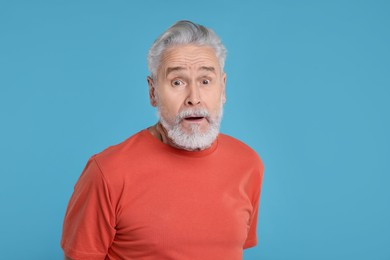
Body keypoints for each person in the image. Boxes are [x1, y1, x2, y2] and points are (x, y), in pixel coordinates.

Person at [61, 20, 264, 260]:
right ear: (153, 92)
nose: (194, 98)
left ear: (223, 88)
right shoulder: (107, 172)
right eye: (177, 82)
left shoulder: (248, 164)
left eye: (205, 81)